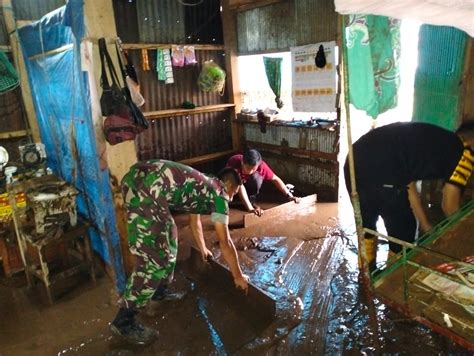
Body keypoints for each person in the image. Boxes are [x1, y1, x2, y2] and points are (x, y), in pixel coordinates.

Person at [110, 160, 249, 344]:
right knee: (153, 260)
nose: (232, 198)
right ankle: (124, 321)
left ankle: (160, 292)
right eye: (235, 193)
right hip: (145, 188)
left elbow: (195, 223)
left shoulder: (205, 185)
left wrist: (203, 248)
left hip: (144, 181)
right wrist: (238, 276)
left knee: (170, 233)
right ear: (230, 185)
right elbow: (225, 241)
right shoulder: (220, 194)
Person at [344, 121, 474, 269]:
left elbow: (408, 186)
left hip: (353, 162)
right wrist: (464, 239)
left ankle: (366, 276)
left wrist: (426, 226)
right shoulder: (465, 152)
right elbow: (450, 207)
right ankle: (394, 276)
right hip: (383, 171)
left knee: (366, 225)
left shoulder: (433, 141)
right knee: (403, 231)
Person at [226, 149, 299, 216]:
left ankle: (251, 201)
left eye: (254, 169)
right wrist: (250, 209)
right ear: (242, 162)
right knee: (228, 195)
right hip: (232, 182)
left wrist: (289, 196)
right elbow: (240, 186)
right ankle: (237, 200)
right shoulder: (234, 163)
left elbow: (275, 179)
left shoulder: (261, 166)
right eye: (248, 168)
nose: (250, 171)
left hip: (246, 183)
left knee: (256, 178)